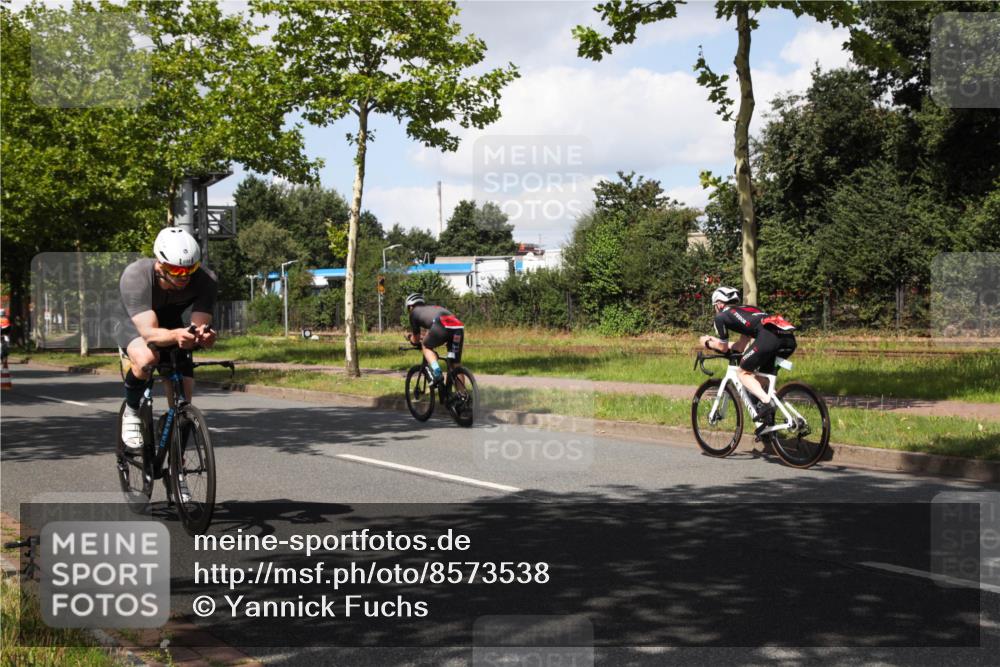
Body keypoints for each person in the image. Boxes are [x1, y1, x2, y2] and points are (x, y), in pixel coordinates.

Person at [117, 228, 218, 463]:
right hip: (133, 323)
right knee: (146, 359)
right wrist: (176, 336)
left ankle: (176, 463)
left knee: (185, 395)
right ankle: (132, 411)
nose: (184, 276)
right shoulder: (136, 276)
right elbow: (150, 334)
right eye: (177, 270)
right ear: (161, 265)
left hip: (171, 321)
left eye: (190, 269)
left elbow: (199, 324)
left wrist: (204, 336)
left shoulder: (205, 279)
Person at [699, 286, 797, 433]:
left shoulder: (721, 317)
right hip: (787, 339)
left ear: (719, 304)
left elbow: (724, 348)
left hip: (769, 337)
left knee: (743, 373)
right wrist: (716, 341)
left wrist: (707, 342)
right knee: (763, 379)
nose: (715, 309)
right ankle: (769, 423)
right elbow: (740, 346)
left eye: (714, 306)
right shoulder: (747, 311)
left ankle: (766, 403)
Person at [404, 293, 464, 386]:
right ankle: (463, 396)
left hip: (441, 325)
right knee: (455, 364)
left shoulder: (414, 313)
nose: (409, 311)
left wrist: (409, 337)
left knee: (425, 345)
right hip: (458, 327)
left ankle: (437, 372)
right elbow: (431, 330)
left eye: (408, 308)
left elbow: (415, 339)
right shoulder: (431, 309)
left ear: (411, 306)